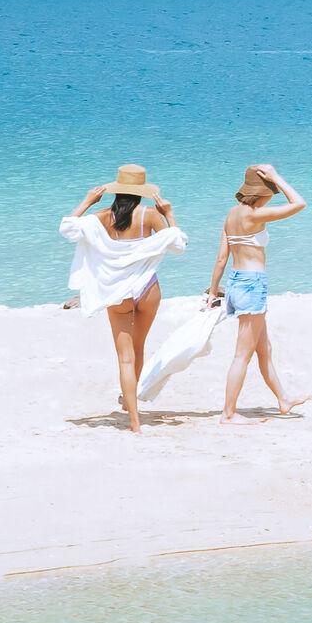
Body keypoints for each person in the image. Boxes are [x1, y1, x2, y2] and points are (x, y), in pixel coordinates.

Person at [60, 165, 184, 435]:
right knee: (139, 347)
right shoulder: (150, 216)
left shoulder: (101, 217)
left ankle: (135, 422)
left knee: (125, 358)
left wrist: (88, 201)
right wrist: (170, 215)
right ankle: (130, 403)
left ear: (117, 191)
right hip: (147, 290)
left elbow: (67, 228)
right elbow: (177, 245)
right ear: (142, 192)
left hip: (117, 294)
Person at [205, 163, 306, 421]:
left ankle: (283, 400)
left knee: (264, 349)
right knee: (242, 355)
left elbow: (220, 259)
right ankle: (228, 414)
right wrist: (277, 177)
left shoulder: (231, 215)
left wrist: (212, 292)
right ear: (263, 191)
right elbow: (298, 204)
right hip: (252, 285)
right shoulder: (254, 215)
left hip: (237, 282)